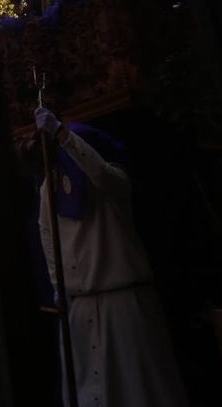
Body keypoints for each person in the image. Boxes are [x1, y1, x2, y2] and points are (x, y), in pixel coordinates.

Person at [35, 106, 189, 407]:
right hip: (80, 309)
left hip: (124, 309)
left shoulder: (114, 187)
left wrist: (64, 136)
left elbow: (99, 172)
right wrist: (59, 287)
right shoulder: (52, 189)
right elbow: (46, 235)